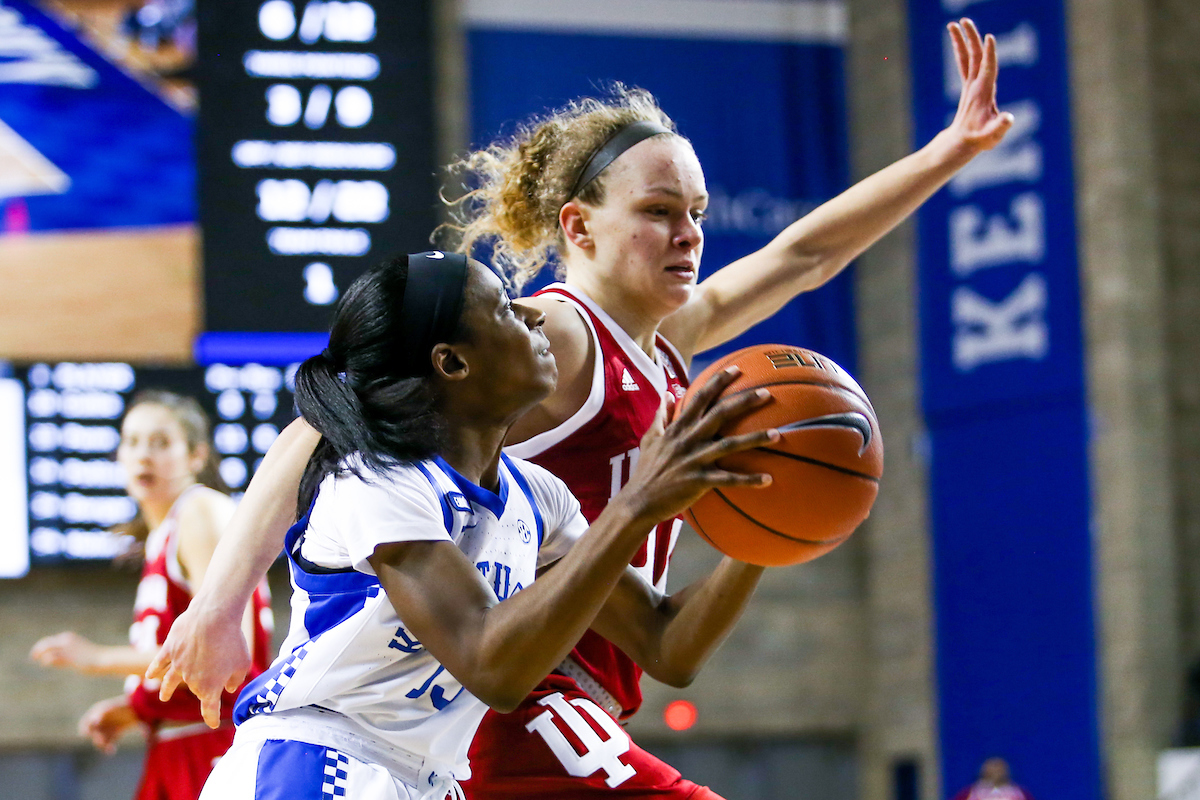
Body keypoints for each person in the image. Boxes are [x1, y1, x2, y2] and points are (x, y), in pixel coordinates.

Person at [149, 17, 1012, 798]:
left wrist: (946, 153)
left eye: (698, 214)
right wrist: (219, 603)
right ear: (581, 226)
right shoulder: (558, 336)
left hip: (551, 698)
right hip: (511, 685)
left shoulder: (669, 341)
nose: (688, 234)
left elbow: (803, 256)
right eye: (659, 211)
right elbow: (318, 434)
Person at [195, 251, 775, 800]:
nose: (530, 313)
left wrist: (773, 528)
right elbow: (491, 666)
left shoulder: (537, 495)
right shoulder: (377, 481)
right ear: (452, 362)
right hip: (316, 761)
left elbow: (666, 644)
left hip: (420, 779)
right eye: (503, 307)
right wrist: (635, 505)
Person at [30, 390, 273, 800]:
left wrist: (99, 659)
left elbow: (228, 647)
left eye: (161, 443)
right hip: (175, 745)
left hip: (215, 744)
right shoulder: (164, 534)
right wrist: (141, 708)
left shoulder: (199, 511)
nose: (144, 455)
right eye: (133, 442)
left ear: (197, 456)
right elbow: (186, 662)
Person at [950, 758, 1035, 800]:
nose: (996, 771)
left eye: (999, 767)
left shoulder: (1019, 794)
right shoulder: (968, 793)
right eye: (993, 767)